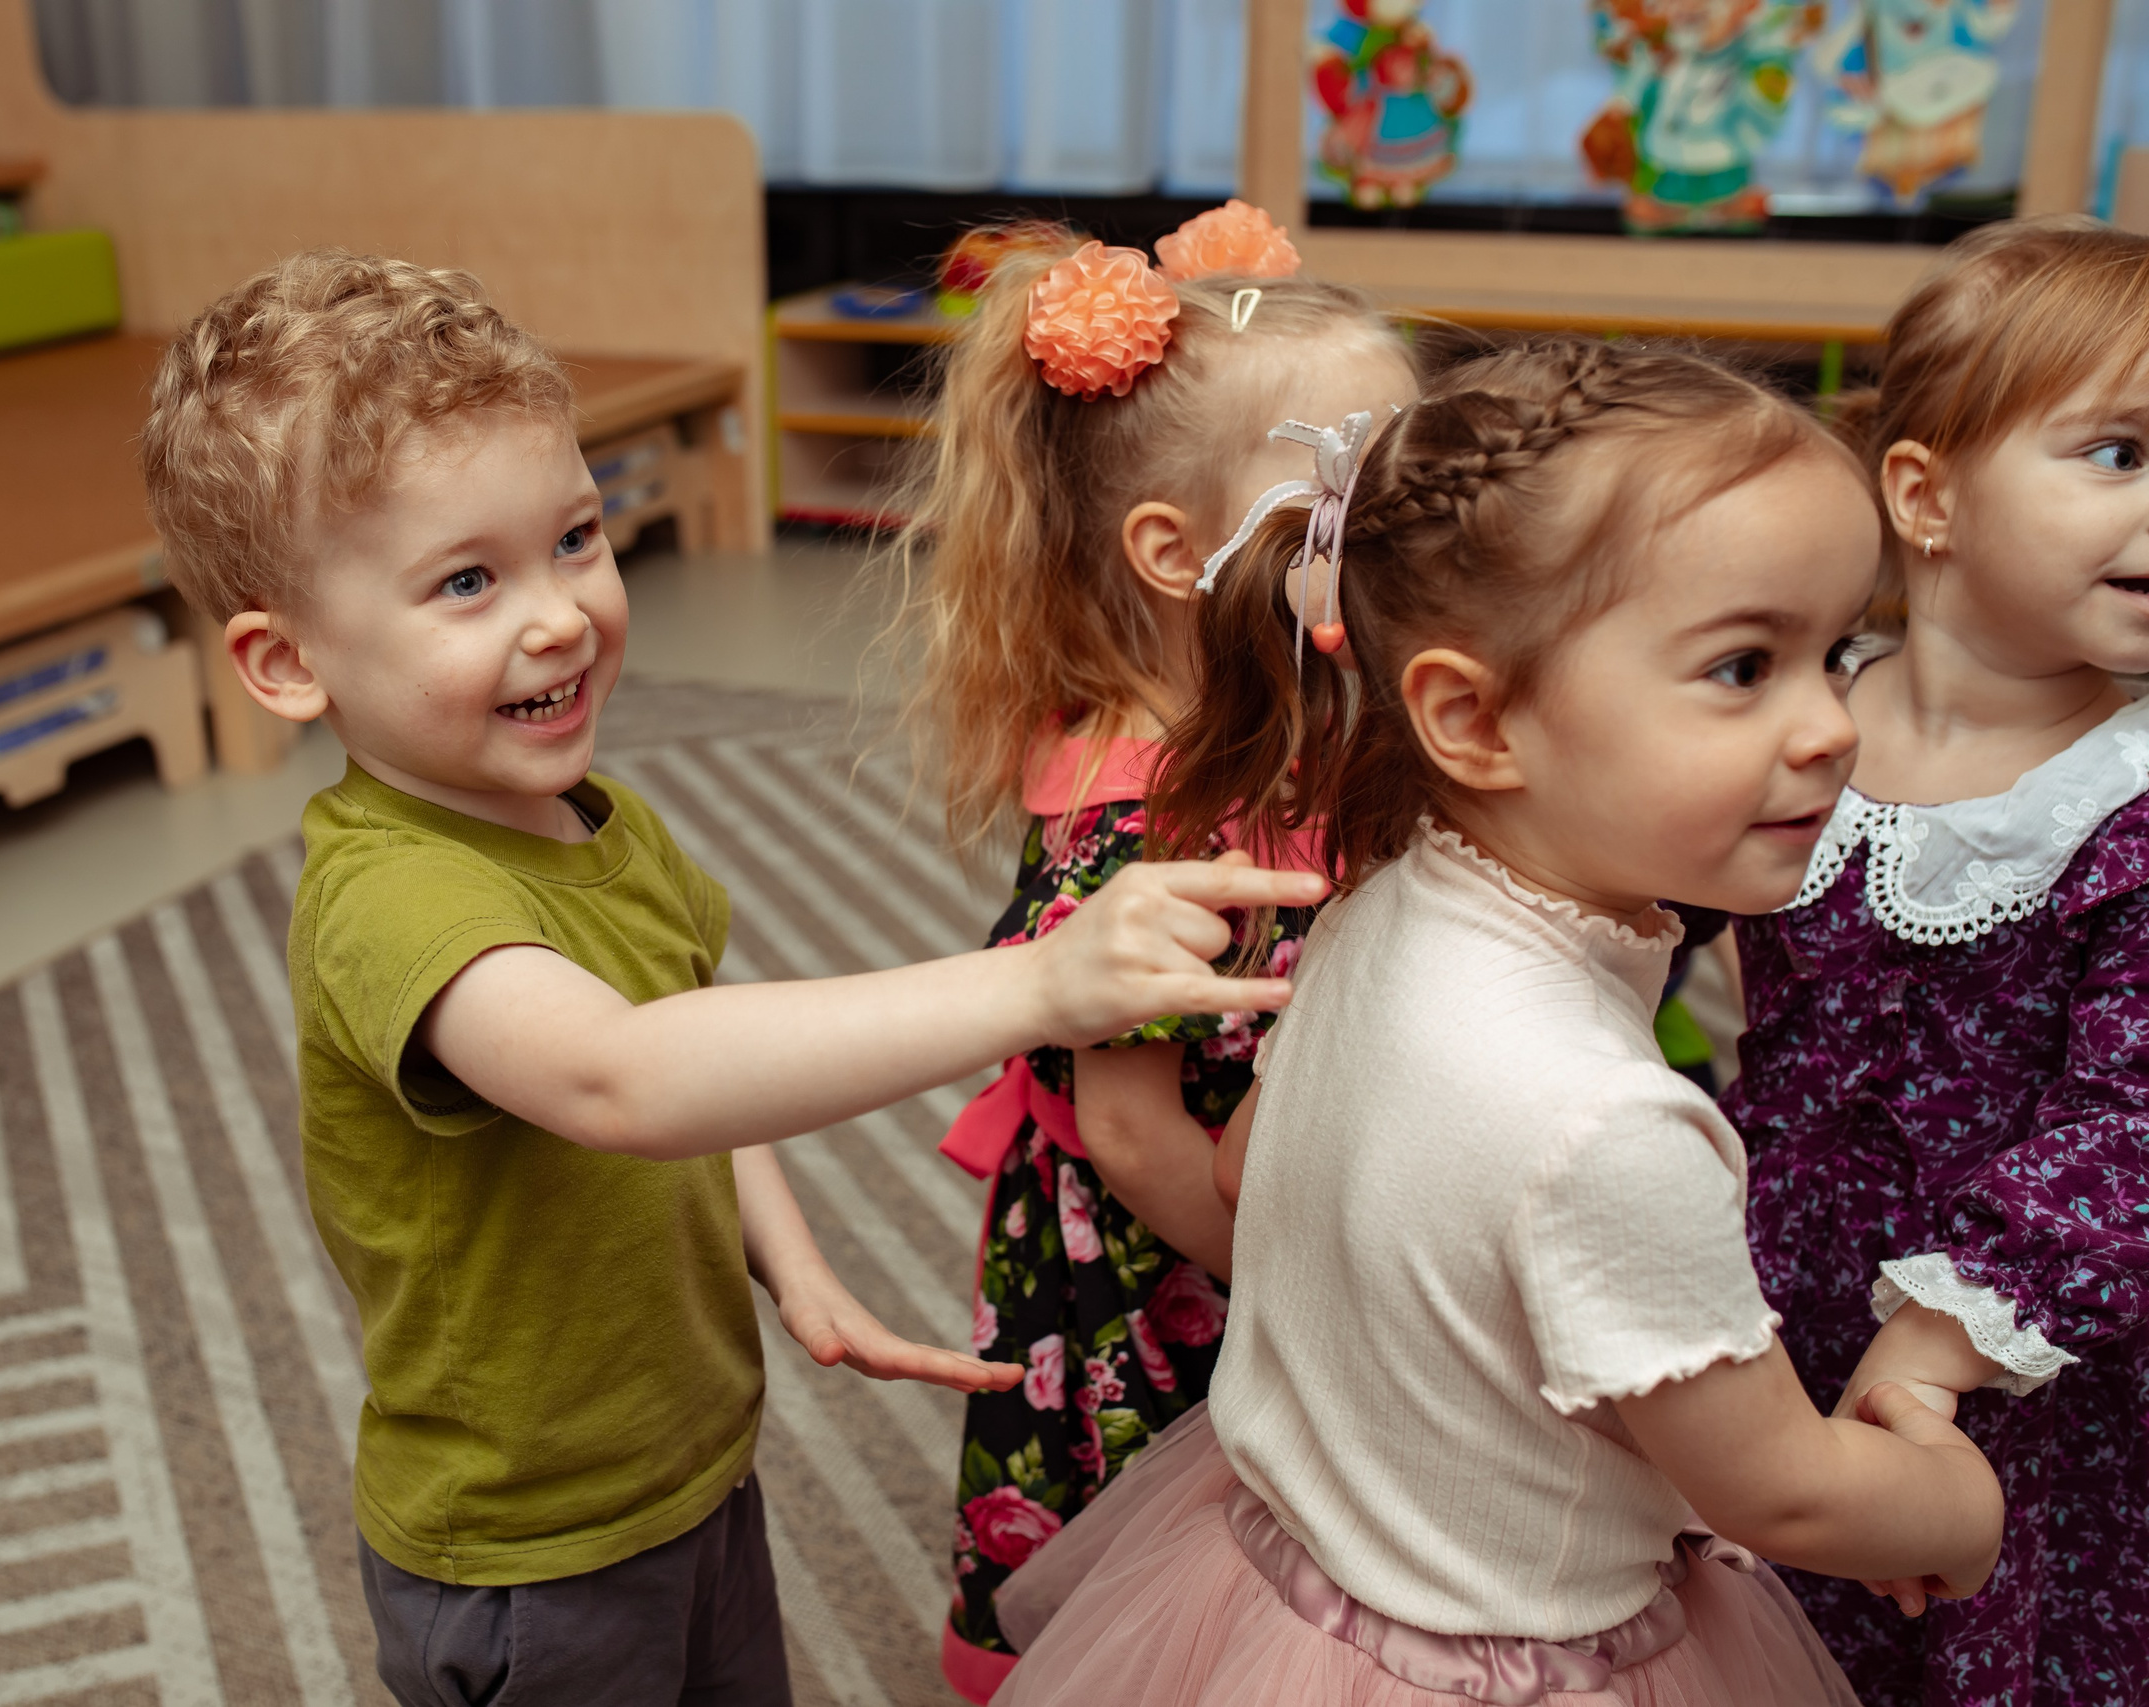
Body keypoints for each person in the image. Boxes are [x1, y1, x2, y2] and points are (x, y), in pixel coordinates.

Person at [137, 249, 1323, 1707]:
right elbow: (625, 1078)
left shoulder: (592, 820)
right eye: (467, 581)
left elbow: (691, 1046)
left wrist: (794, 1266)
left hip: (691, 1462)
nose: (560, 615)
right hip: (528, 1547)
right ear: (285, 663)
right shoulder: (389, 901)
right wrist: (1036, 986)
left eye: (576, 539)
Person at [990, 338, 2006, 1707]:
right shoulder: (1608, 1122)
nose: (1830, 725)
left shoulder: (1373, 904)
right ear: (1472, 718)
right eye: (1741, 668)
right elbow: (1788, 1496)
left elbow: (1246, 1175)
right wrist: (1952, 1504)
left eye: (1838, 653)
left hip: (1290, 1578)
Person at [880, 203, 1420, 1700]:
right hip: (1170, 1258)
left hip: (1263, 1188)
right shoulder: (1144, 823)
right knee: (1176, 1572)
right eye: (1350, 500)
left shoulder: (1282, 722)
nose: (1404, 536)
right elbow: (1130, 1132)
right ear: (1177, 553)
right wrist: (1305, 1298)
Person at [1720, 216, 2149, 1707]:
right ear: (1926, 495)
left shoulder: (2128, 800)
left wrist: (1943, 1339)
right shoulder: (1797, 718)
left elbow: (2133, 1126)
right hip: (1756, 1308)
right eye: (2119, 452)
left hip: (2026, 1372)